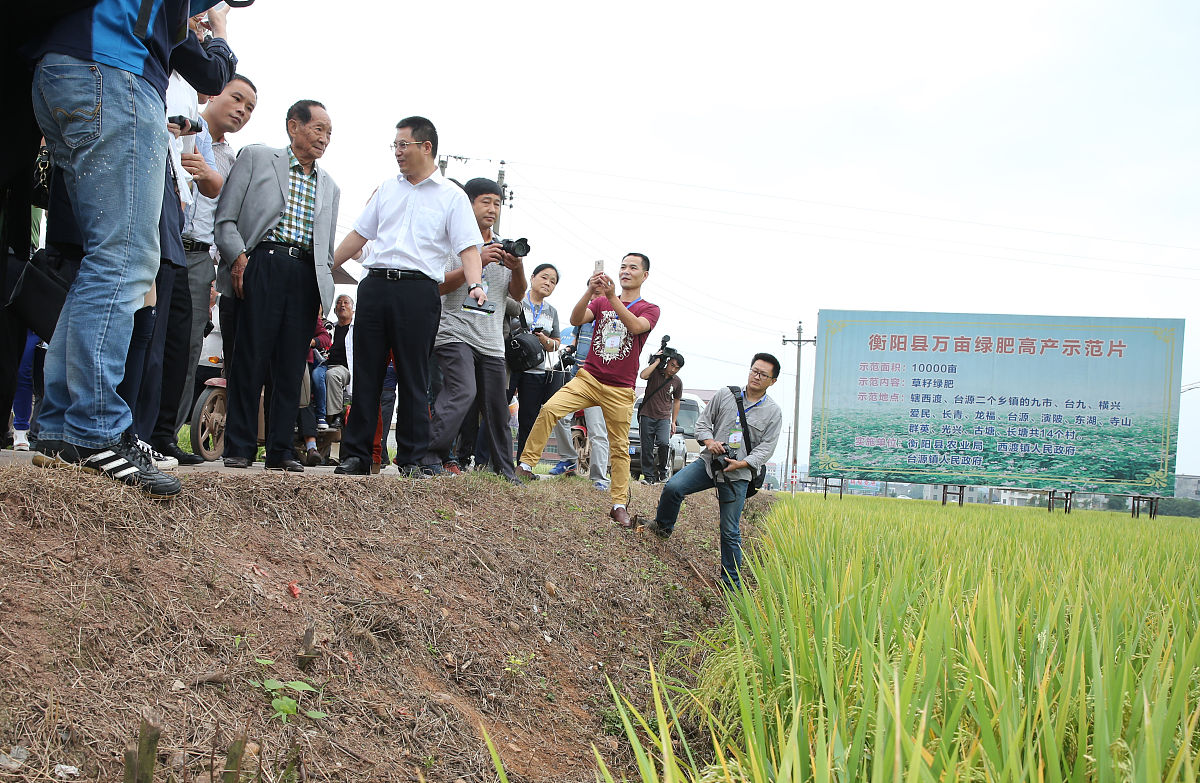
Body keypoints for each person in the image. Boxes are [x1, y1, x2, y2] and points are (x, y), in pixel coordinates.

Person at [28, 0, 234, 498]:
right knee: (124, 260)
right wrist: (222, 26)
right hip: (116, 73)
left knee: (103, 259)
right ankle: (94, 426)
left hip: (62, 69)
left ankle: (59, 426)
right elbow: (211, 70)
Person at [332, 116, 486, 478]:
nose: (398, 153)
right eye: (395, 146)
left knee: (414, 376)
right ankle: (356, 456)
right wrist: (324, 266)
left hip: (419, 291)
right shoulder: (387, 188)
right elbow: (359, 235)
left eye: (404, 145)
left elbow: (468, 248)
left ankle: (414, 459)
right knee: (366, 374)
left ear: (426, 147)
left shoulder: (451, 196)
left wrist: (476, 284)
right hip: (375, 286)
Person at [214, 100, 340, 472]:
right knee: (250, 358)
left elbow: (327, 250)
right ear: (293, 127)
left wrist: (321, 291)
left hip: (304, 276)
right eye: (318, 129)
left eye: (329, 133)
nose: (324, 139)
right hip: (262, 262)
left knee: (291, 367)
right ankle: (238, 446)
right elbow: (226, 220)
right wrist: (239, 258)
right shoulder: (256, 158)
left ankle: (282, 449)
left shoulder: (330, 186)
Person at [516, 253, 660, 527]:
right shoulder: (601, 301)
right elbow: (576, 317)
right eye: (623, 266)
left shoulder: (649, 308)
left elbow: (635, 326)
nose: (626, 271)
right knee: (549, 410)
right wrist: (590, 291)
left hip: (620, 388)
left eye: (633, 268)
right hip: (588, 377)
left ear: (645, 275)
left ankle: (618, 504)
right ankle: (525, 465)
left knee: (618, 446)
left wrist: (613, 297)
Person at [638, 354, 784, 591]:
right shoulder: (726, 395)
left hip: (738, 474)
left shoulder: (773, 412)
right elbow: (703, 423)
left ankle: (731, 586)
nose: (756, 376)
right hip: (709, 463)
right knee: (674, 487)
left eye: (763, 374)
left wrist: (744, 463)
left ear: (772, 381)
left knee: (730, 530)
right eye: (754, 370)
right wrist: (708, 441)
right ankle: (662, 527)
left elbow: (766, 448)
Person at [170, 73, 257, 459]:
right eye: (237, 98)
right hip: (162, 241)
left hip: (200, 257)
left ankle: (164, 435)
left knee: (186, 350)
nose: (242, 110)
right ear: (212, 91)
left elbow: (230, 219)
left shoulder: (235, 162)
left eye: (250, 108)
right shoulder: (182, 127)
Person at [421, 178, 525, 478]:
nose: (492, 209)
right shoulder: (451, 241)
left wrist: (516, 267)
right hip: (454, 331)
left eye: (497, 203)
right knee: (462, 391)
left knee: (497, 408)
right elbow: (437, 286)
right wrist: (476, 260)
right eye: (485, 201)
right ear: (468, 204)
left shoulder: (504, 246)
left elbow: (517, 295)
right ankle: (428, 454)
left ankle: (506, 471)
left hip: (491, 339)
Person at [515, 263, 566, 458]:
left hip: (536, 370)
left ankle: (523, 463)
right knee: (498, 413)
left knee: (529, 419)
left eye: (553, 282)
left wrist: (544, 340)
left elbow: (557, 344)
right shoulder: (518, 300)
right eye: (544, 277)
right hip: (511, 366)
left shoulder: (551, 311)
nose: (548, 283)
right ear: (532, 277)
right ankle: (490, 462)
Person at [637, 349, 684, 483]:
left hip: (664, 418)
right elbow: (643, 375)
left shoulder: (677, 382)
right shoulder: (655, 373)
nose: (673, 369)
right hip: (647, 414)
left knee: (664, 443)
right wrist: (657, 360)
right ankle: (649, 477)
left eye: (677, 368)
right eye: (672, 365)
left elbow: (676, 401)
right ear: (668, 362)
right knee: (647, 447)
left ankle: (662, 471)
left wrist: (673, 421)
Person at [313, 293, 354, 429]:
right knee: (315, 374)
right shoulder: (330, 328)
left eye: (346, 302)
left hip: (345, 368)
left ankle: (336, 414)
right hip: (326, 364)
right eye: (339, 302)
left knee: (332, 375)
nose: (342, 305)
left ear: (353, 310)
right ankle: (318, 414)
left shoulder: (357, 330)